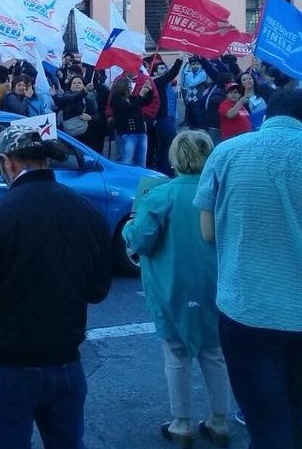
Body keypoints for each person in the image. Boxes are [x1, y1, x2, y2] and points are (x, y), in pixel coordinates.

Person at [0, 124, 113, 449]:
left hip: (11, 364)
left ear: (8, 162)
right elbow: (98, 290)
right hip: (67, 358)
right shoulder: (87, 210)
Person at [194, 88, 302, 449]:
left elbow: (208, 233)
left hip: (248, 308)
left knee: (266, 422)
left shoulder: (226, 153)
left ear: (267, 114)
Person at [122, 131, 231, 447]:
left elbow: (141, 240)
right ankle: (220, 420)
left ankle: (181, 422)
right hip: (214, 281)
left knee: (176, 352)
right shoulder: (221, 193)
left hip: (170, 283)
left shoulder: (159, 195)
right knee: (214, 352)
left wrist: (130, 225)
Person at [110, 75, 153, 167]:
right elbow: (130, 109)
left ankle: (140, 179)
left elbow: (146, 101)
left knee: (141, 161)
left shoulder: (132, 98)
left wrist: (148, 90)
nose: (131, 88)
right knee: (127, 161)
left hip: (141, 133)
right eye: (129, 86)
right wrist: (141, 96)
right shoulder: (115, 101)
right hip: (127, 134)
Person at [57, 76, 97, 143]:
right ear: (70, 86)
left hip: (85, 136)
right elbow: (74, 98)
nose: (77, 84)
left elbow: (98, 116)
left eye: (79, 83)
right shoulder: (66, 96)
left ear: (83, 85)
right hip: (68, 135)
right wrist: (84, 91)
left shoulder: (89, 100)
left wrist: (90, 117)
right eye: (74, 83)